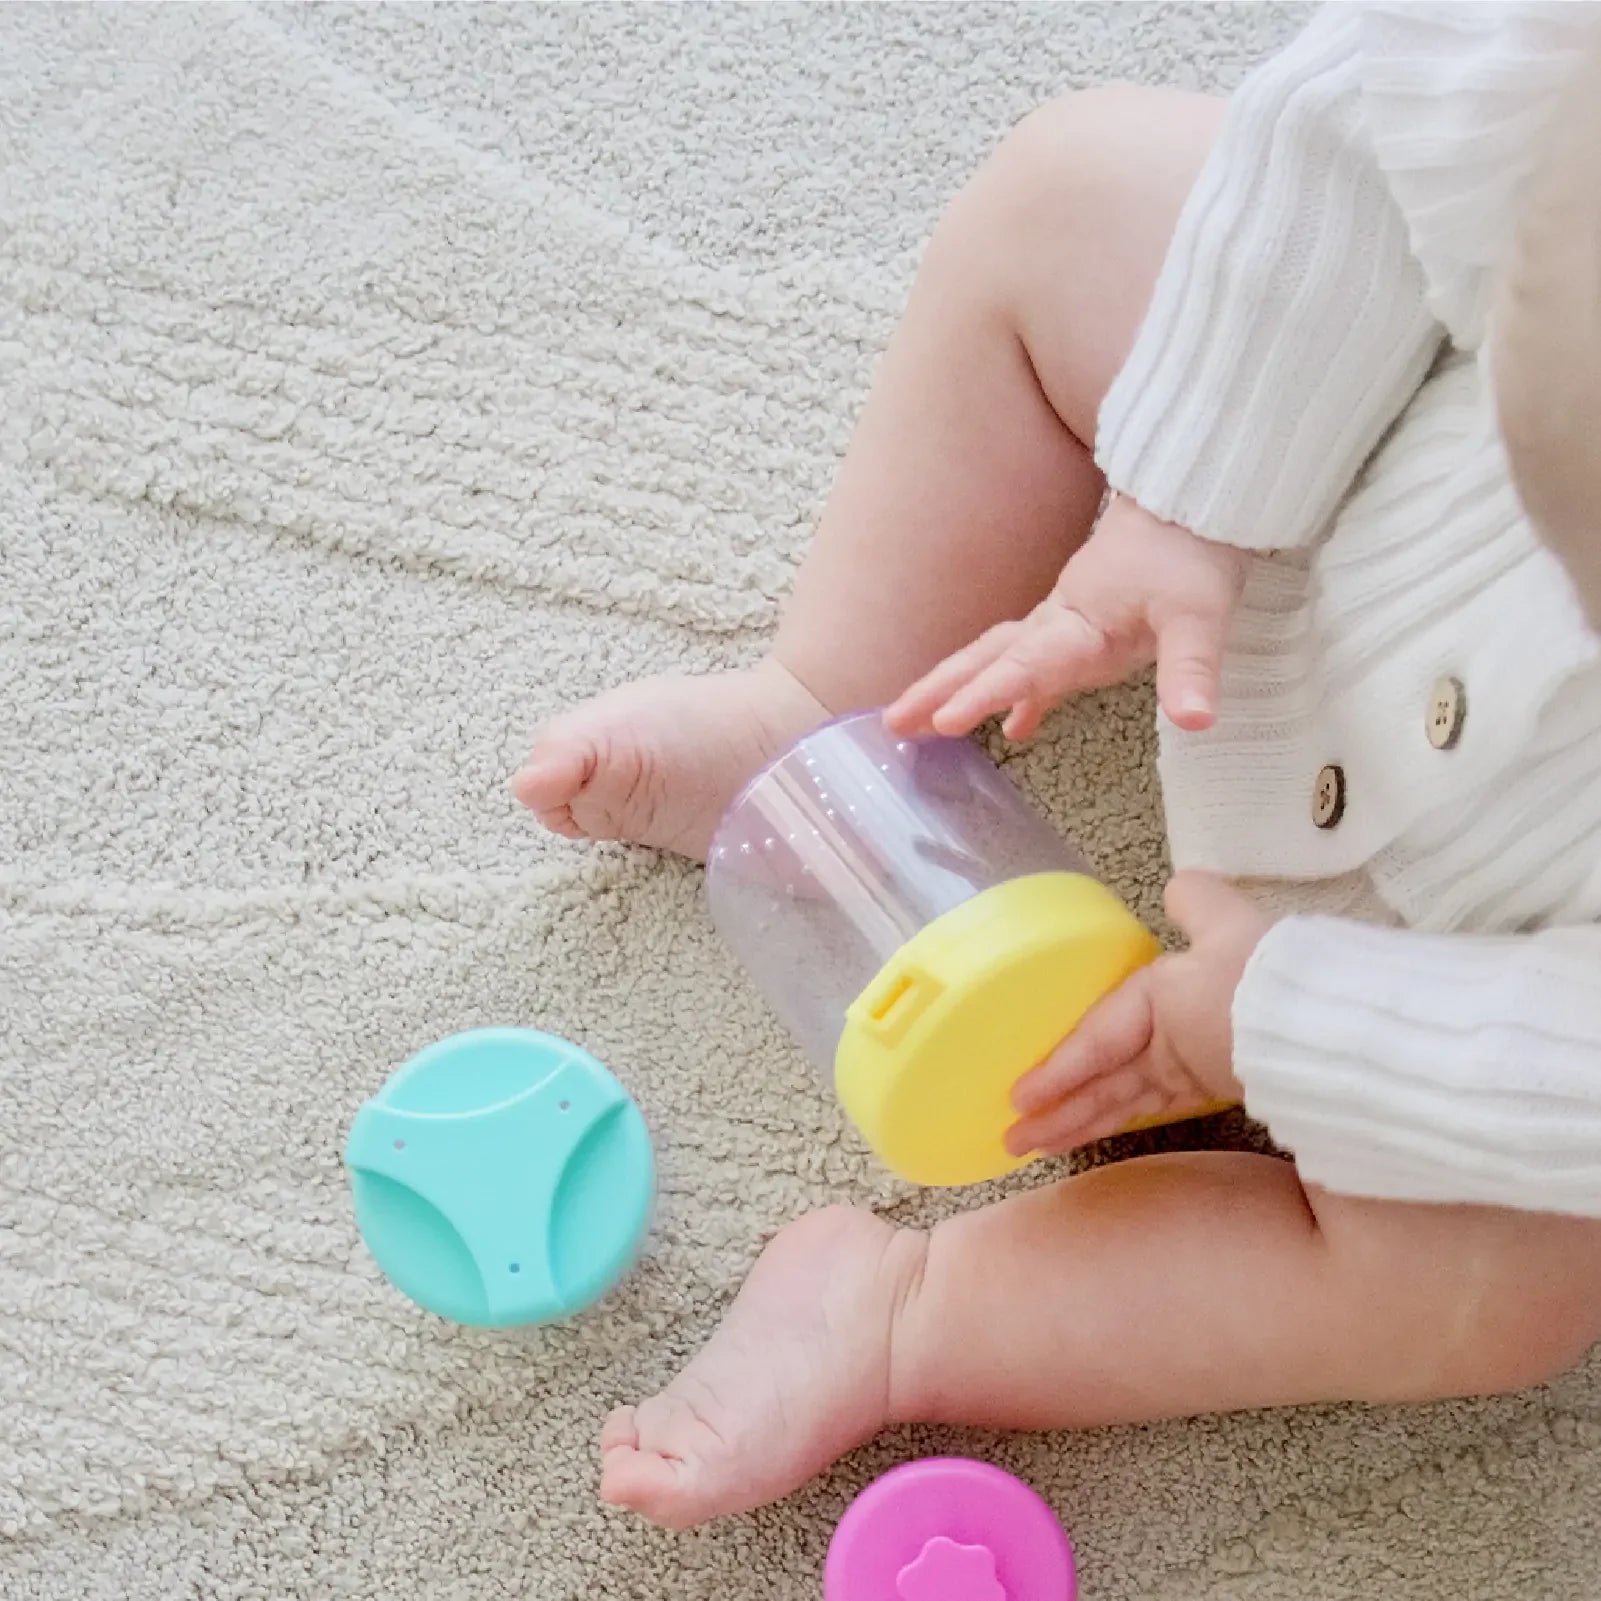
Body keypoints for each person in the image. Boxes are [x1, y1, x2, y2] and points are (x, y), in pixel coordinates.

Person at [516, 3, 1601, 1530]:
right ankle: (822, 709)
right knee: (1074, 194)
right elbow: (1363, 111)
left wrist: (1283, 1019)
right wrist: (1187, 500)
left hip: (1468, 950)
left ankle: (898, 1312)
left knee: (1491, 1293)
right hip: (1336, 475)